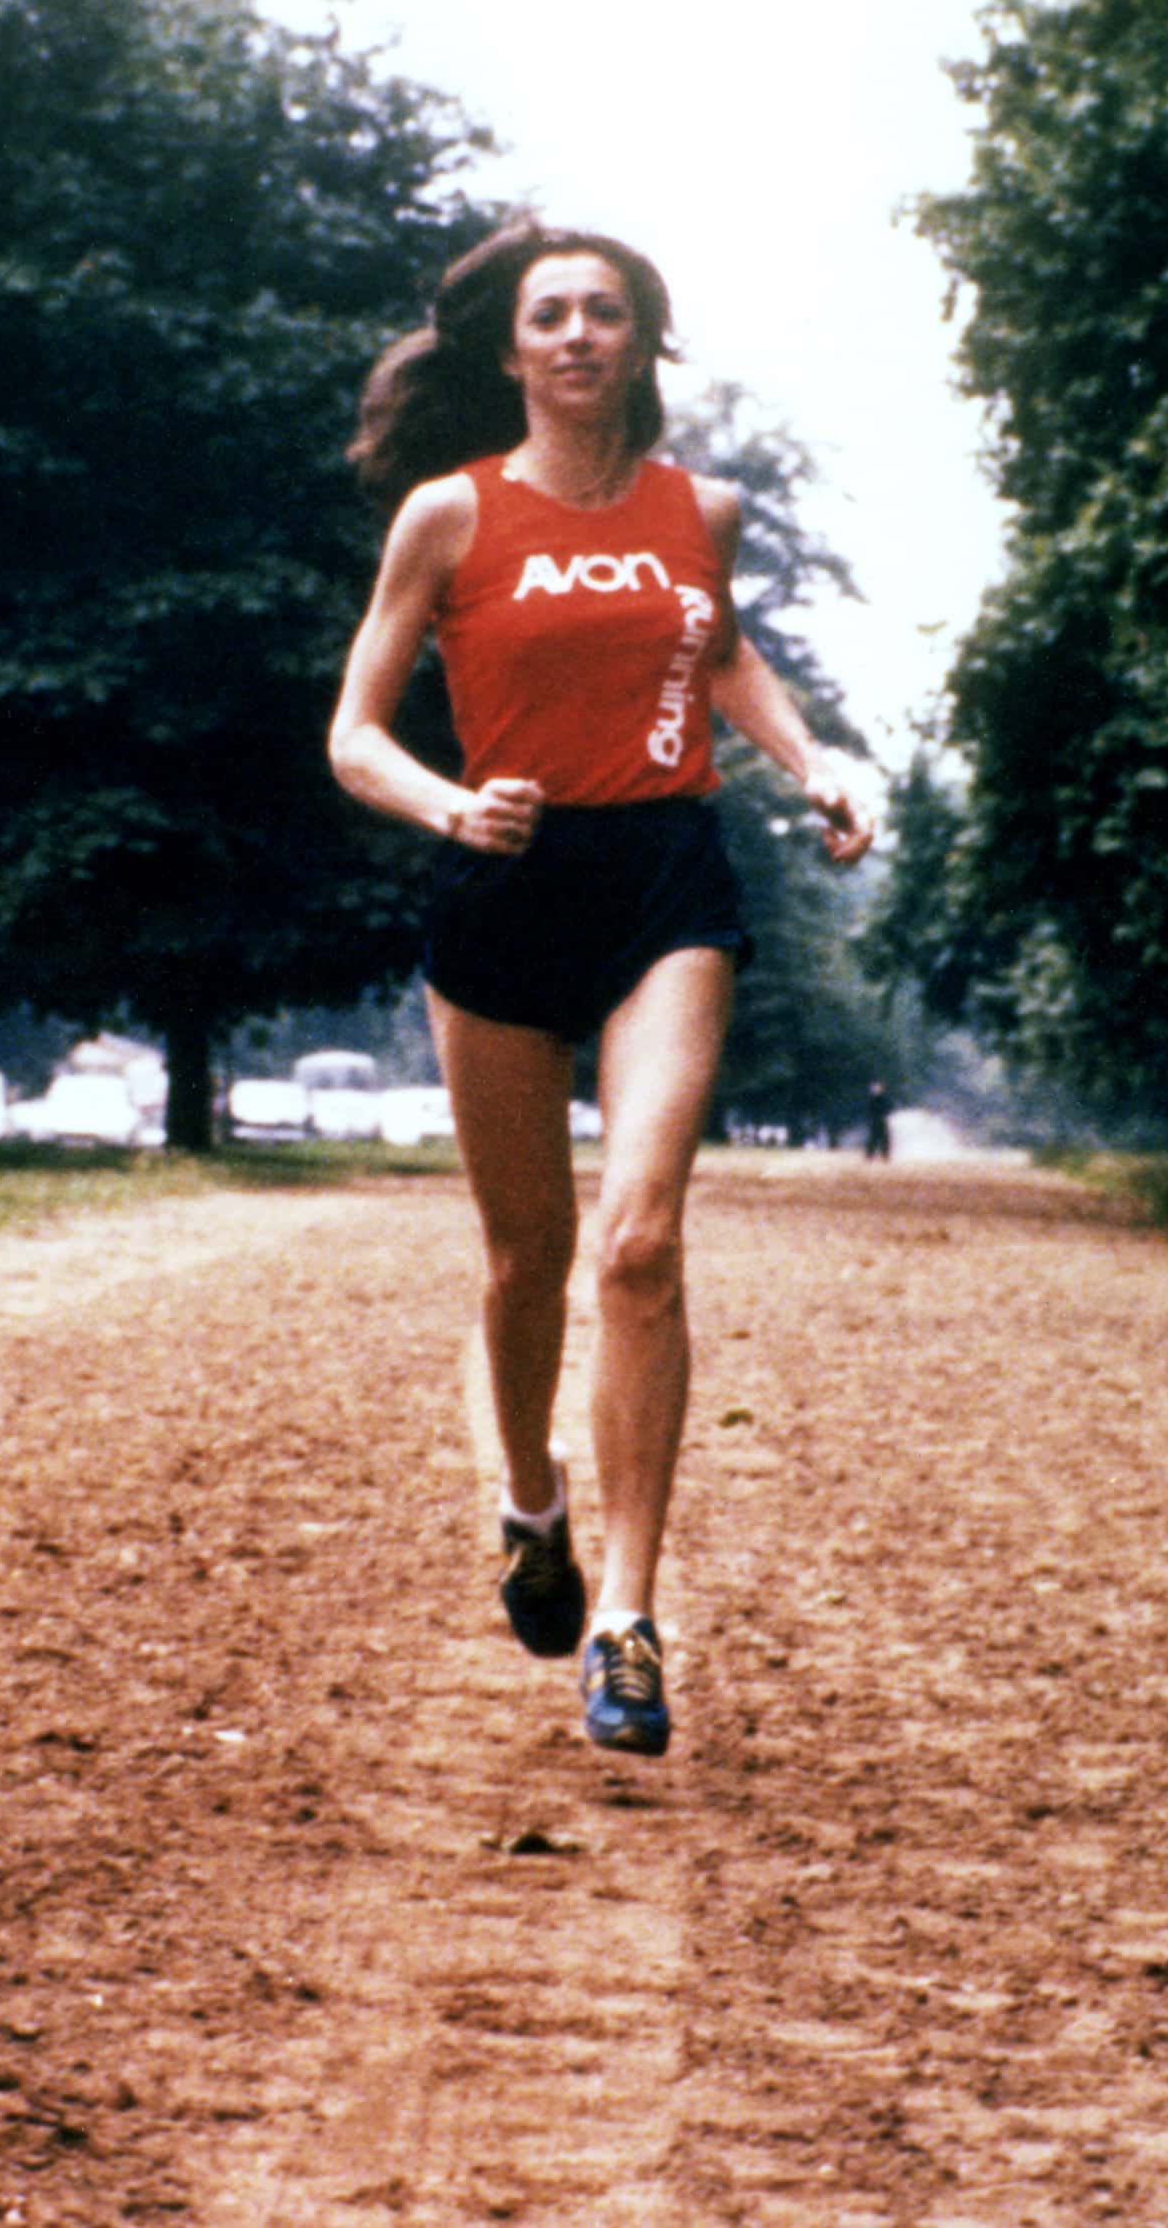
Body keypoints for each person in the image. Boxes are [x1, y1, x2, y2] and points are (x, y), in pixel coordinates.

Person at [328, 221, 874, 1755]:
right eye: (548, 314)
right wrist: (448, 805)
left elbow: (716, 656)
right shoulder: (448, 516)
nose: (576, 334)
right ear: (508, 352)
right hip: (503, 874)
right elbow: (352, 734)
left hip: (661, 877)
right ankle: (530, 1505)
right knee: (526, 1258)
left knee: (637, 1244)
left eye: (605, 312)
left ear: (641, 342)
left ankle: (628, 1619)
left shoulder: (701, 509)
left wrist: (816, 761)